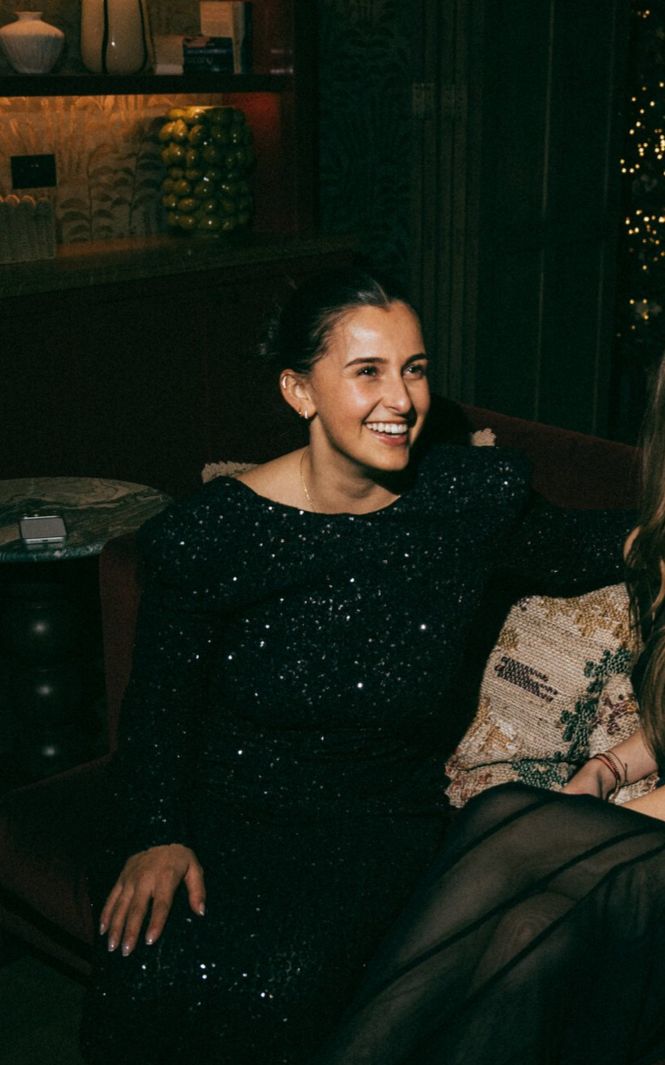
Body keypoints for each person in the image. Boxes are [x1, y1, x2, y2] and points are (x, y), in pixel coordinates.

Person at [80, 267, 632, 1065]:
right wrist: (156, 834)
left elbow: (594, 543)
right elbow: (159, 705)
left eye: (414, 368)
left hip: (377, 823)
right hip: (223, 810)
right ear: (298, 390)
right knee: (153, 976)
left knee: (289, 989)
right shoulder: (213, 534)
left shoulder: (465, 502)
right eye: (367, 371)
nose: (400, 398)